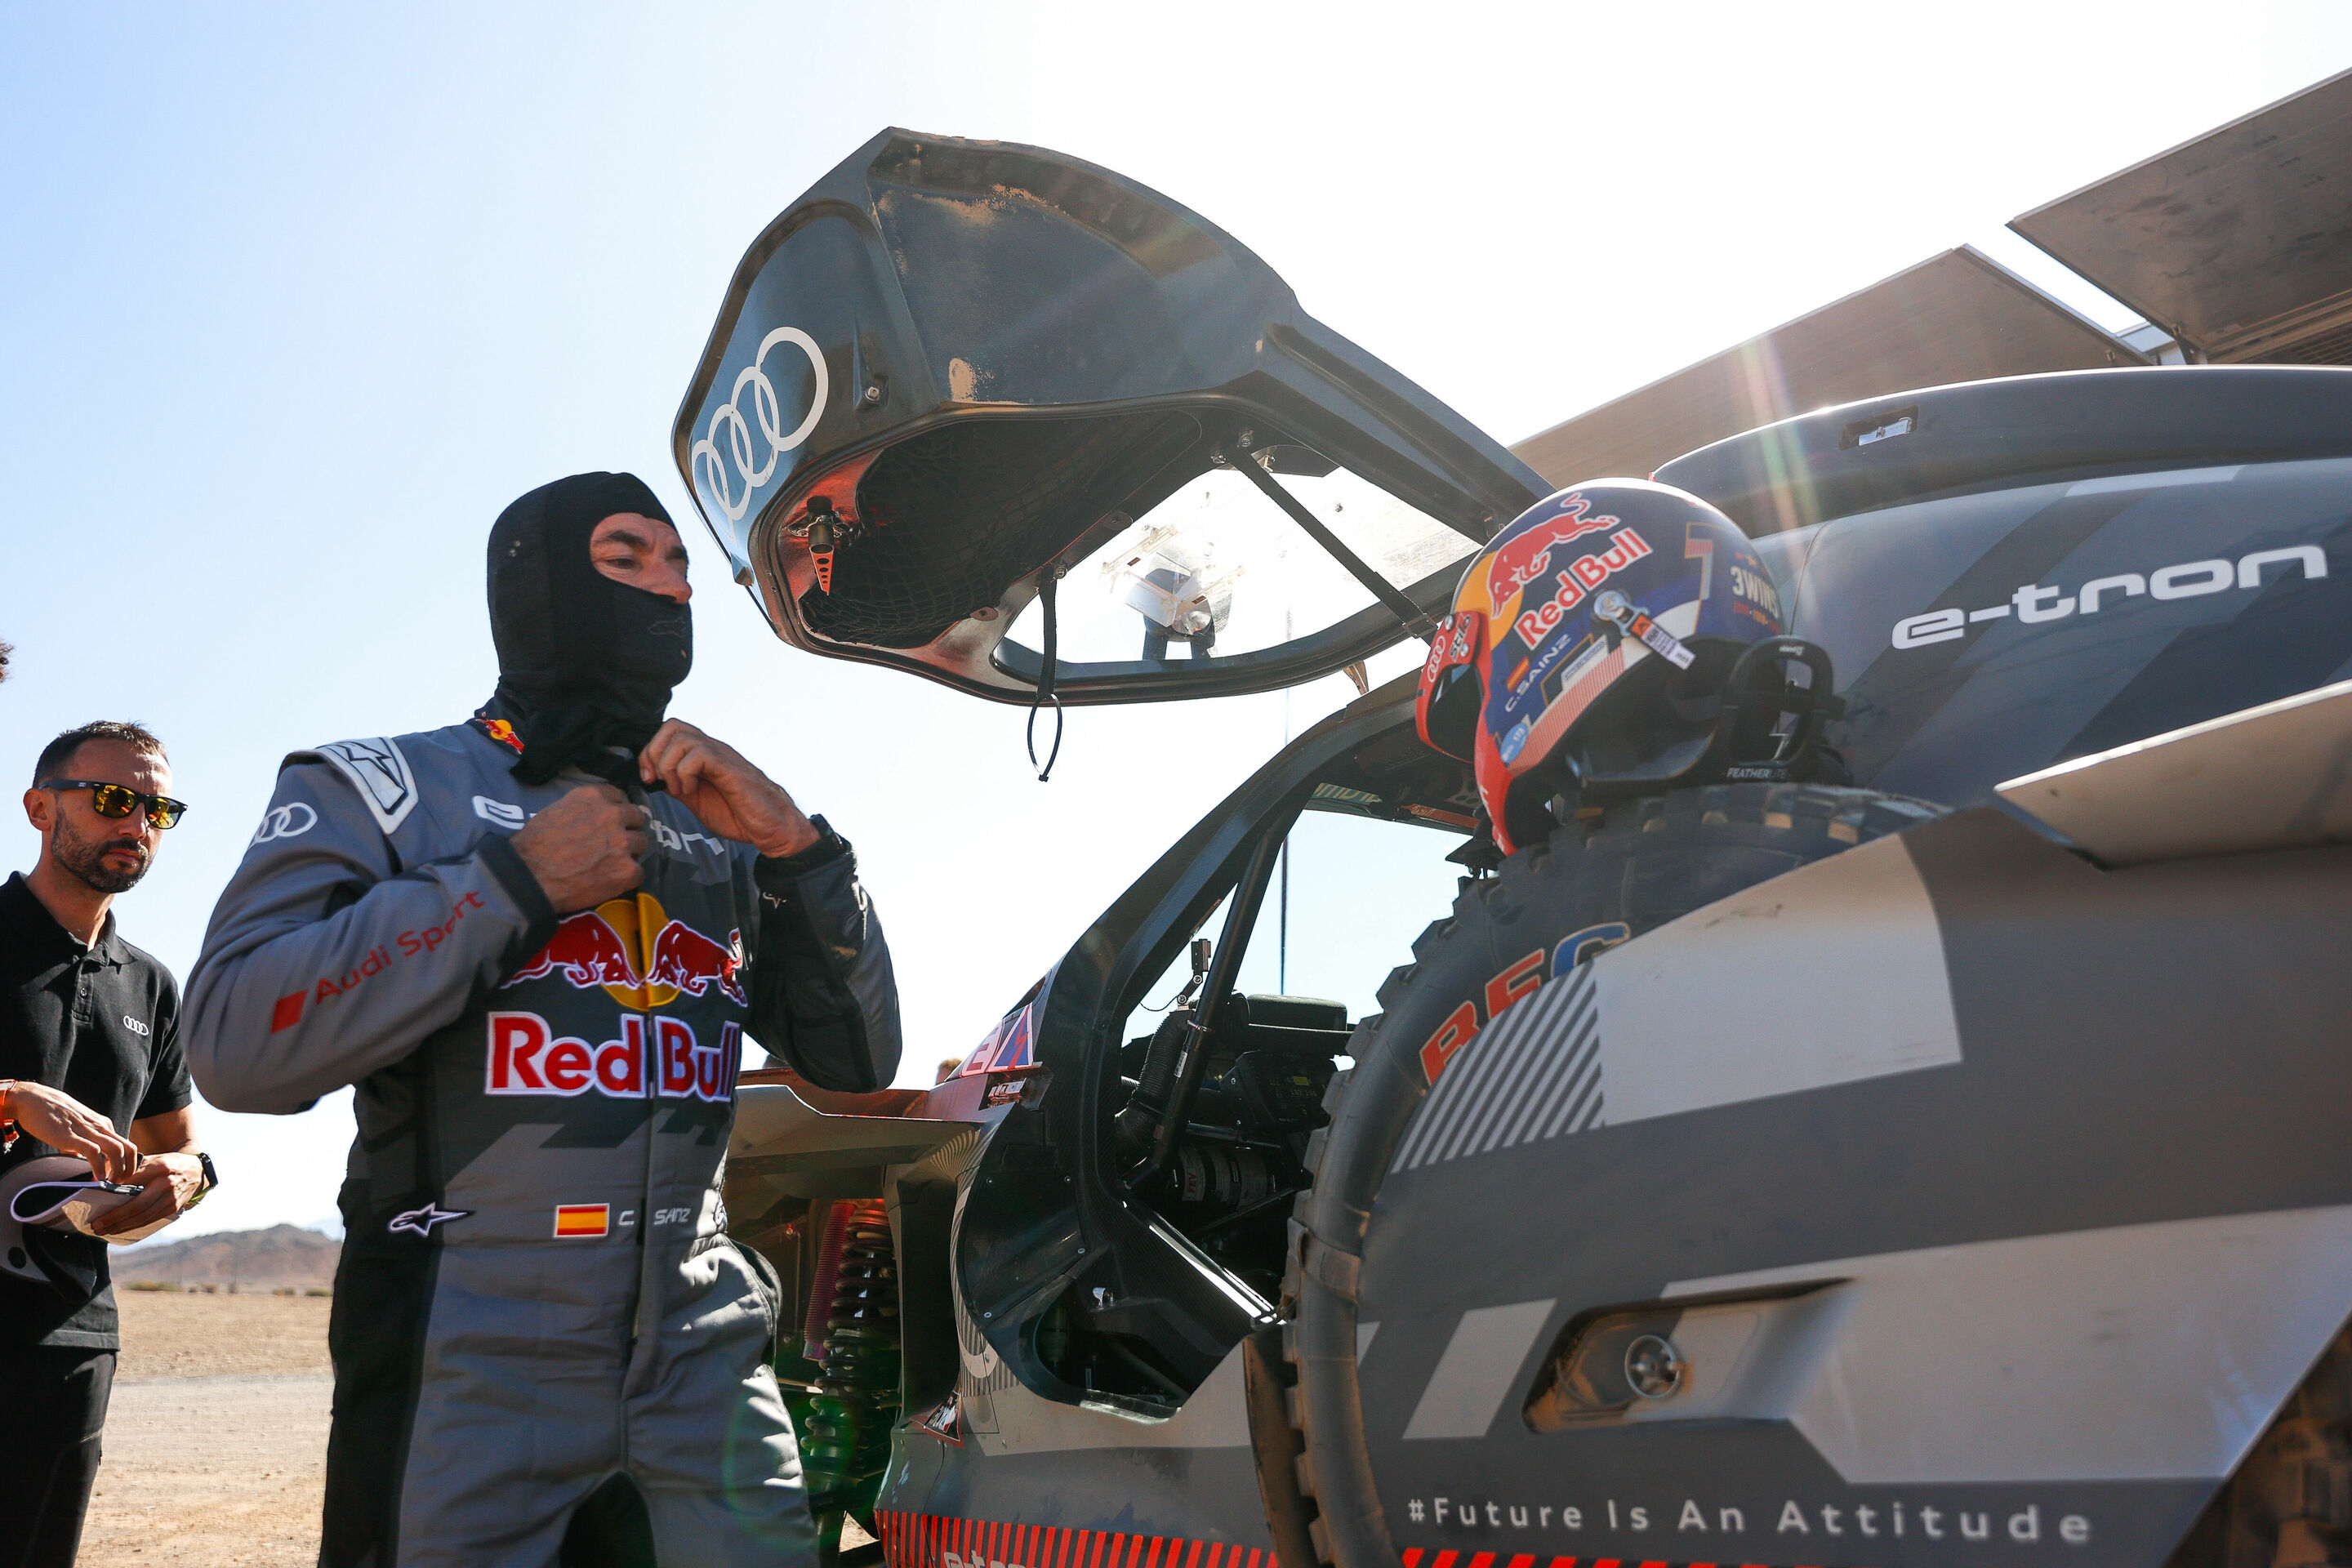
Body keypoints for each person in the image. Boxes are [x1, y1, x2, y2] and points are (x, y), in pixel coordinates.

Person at [184, 473, 902, 1568]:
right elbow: (233, 1044)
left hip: (704, 1359)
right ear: (536, 588)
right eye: (626, 561)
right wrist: (505, 886)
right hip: (466, 1352)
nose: (668, 591)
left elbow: (858, 1057)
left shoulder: (714, 818)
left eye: (681, 570)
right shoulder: (383, 788)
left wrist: (803, 853)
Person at [2, 720, 213, 1568]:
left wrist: (185, 1182)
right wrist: (13, 1101)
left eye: (158, 810)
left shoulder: (151, 983)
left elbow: (184, 1149)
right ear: (39, 807)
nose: (138, 826)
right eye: (116, 801)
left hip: (73, 1330)